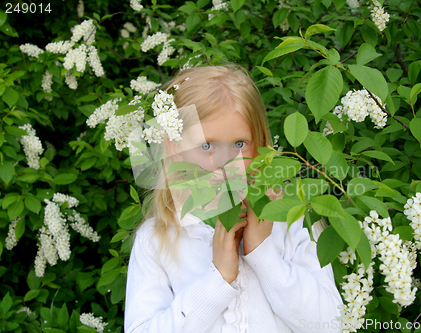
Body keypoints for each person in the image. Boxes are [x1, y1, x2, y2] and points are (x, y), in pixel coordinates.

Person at [124, 65, 343, 332]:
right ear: (174, 146)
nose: (225, 163)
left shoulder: (292, 218)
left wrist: (263, 254)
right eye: (207, 146)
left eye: (239, 144)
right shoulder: (157, 240)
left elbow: (333, 325)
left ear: (259, 143)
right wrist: (218, 279)